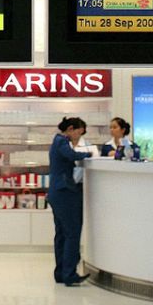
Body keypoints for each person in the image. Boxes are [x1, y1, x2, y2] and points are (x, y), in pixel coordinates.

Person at [47, 117, 92, 286]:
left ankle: (60, 273)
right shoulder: (62, 141)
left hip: (56, 193)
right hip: (65, 193)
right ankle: (70, 274)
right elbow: (71, 155)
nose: (78, 138)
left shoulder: (57, 141)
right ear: (71, 128)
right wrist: (89, 153)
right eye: (78, 134)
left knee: (61, 235)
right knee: (72, 233)